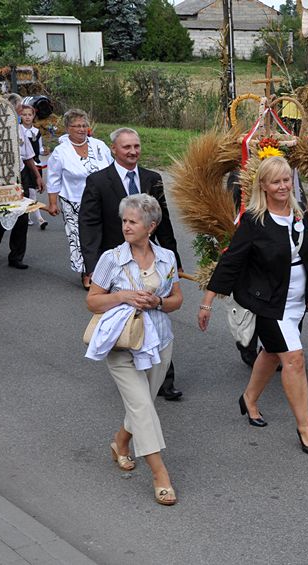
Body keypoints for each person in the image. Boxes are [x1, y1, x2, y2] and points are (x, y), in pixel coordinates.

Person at [197, 156, 308, 456]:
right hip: (268, 303)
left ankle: (249, 398)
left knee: (272, 354)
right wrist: (207, 302)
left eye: (286, 180)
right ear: (263, 186)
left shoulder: (299, 213)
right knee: (294, 358)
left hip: (295, 302)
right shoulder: (255, 221)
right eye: (276, 181)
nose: (283, 186)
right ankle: (305, 426)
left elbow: (305, 255)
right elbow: (231, 262)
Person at [85, 193, 183, 506]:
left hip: (158, 341)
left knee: (143, 404)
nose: (126, 226)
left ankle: (120, 443)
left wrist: (158, 302)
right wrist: (124, 296)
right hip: (120, 342)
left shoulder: (167, 257)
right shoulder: (111, 258)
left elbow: (177, 300)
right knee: (142, 407)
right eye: (124, 221)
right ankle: (160, 475)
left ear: (151, 226)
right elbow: (92, 300)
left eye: (133, 221)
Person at [79, 127, 184, 401]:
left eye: (136, 146)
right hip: (117, 264)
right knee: (124, 320)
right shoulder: (99, 181)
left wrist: (175, 259)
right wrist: (91, 266)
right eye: (126, 147)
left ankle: (164, 379)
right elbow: (89, 223)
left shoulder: (153, 178)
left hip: (151, 257)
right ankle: (130, 373)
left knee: (155, 313)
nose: (133, 151)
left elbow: (165, 223)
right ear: (114, 149)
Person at [44, 109, 113, 288]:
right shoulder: (61, 152)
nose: (82, 129)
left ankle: (106, 271)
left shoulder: (99, 146)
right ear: (67, 128)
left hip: (102, 199)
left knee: (104, 234)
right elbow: (53, 178)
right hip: (74, 201)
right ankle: (87, 272)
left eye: (84, 125)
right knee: (80, 237)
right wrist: (52, 203)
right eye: (77, 126)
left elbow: (112, 170)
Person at [0, 101, 44, 269]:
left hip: (20, 174)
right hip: (0, 176)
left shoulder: (19, 130)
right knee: (3, 211)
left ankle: (16, 257)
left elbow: (28, 156)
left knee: (22, 213)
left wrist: (37, 176)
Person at [19, 105, 48, 230]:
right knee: (28, 191)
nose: (27, 117)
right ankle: (39, 218)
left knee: (32, 192)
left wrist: (43, 152)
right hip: (23, 164)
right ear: (20, 116)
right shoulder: (18, 130)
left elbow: (38, 148)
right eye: (24, 114)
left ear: (33, 116)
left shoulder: (36, 132)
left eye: (29, 115)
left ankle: (29, 215)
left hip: (35, 164)